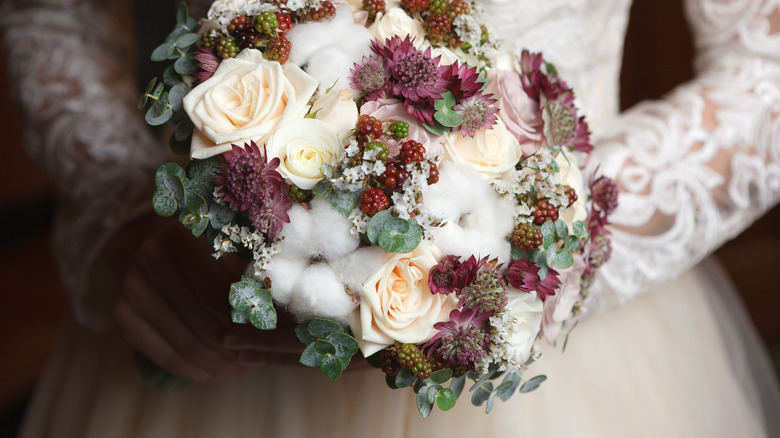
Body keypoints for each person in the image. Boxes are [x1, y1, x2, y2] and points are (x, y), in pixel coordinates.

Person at [2, 0, 779, 436]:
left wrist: (539, 244)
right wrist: (122, 216)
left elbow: (767, 68)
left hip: (571, 386)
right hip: (196, 321)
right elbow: (57, 19)